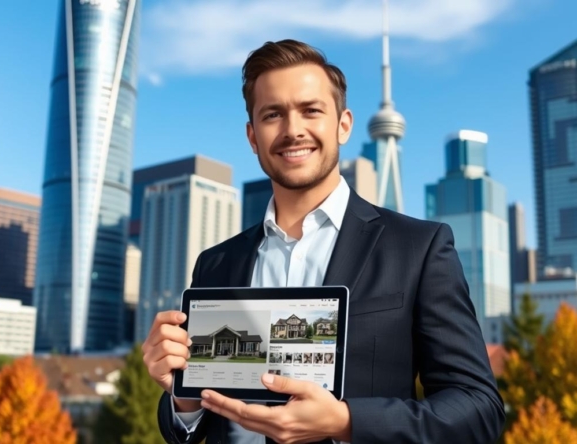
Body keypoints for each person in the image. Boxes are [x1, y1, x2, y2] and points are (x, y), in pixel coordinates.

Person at [142, 39, 505, 444]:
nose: (293, 129)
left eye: (310, 110)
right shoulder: (215, 264)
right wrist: (183, 398)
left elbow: (479, 409)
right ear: (252, 136)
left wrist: (346, 421)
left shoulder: (418, 248)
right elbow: (202, 424)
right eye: (272, 114)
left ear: (343, 124)